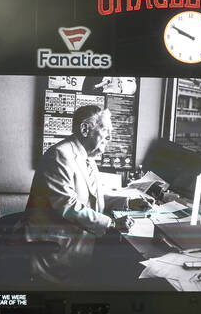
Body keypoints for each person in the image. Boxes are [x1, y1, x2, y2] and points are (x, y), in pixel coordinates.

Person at [23, 105, 134, 284]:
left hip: (77, 238)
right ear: (85, 129)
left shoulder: (86, 156)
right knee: (121, 270)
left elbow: (92, 198)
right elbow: (68, 206)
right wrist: (112, 222)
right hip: (56, 247)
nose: (110, 137)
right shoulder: (60, 156)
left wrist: (129, 202)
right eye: (105, 130)